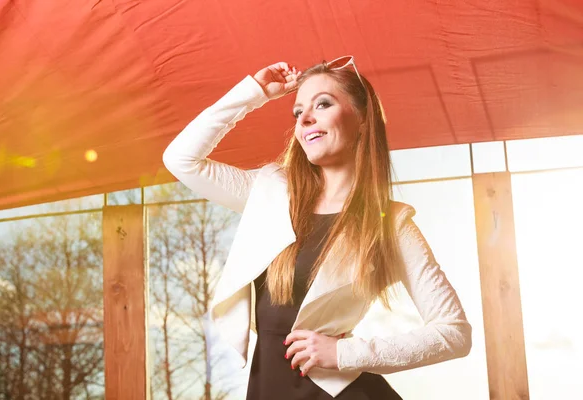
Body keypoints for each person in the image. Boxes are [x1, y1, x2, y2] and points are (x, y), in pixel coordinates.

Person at [162, 56, 472, 399]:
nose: (305, 118)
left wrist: (343, 354)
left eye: (322, 104)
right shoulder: (272, 193)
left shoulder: (391, 224)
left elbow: (454, 333)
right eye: (297, 111)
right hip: (267, 387)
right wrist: (254, 93)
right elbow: (181, 159)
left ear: (362, 120)